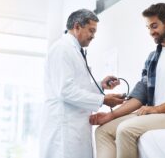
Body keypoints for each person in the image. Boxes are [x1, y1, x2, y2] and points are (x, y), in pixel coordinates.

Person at [89, 3, 165, 158]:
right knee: (102, 131)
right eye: (148, 28)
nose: (151, 32)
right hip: (154, 114)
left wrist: (157, 109)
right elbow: (141, 94)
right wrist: (109, 116)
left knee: (125, 130)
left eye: (154, 26)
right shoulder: (152, 58)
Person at [39, 9, 125, 158]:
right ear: (77, 26)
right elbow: (65, 91)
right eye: (91, 30)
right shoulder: (62, 49)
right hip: (64, 129)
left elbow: (77, 88)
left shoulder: (75, 50)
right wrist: (104, 100)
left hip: (75, 126)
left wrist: (101, 86)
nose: (93, 36)